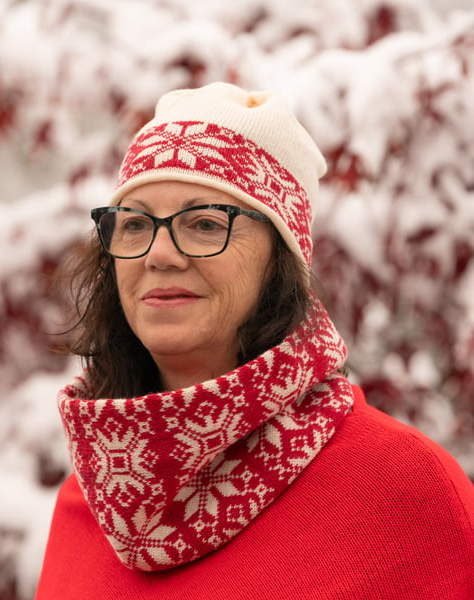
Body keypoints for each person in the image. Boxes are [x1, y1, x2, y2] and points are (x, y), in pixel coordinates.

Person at [35, 82, 474, 599]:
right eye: (134, 224)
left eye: (203, 224)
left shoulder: (401, 493)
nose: (160, 254)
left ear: (280, 261)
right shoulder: (89, 501)